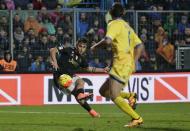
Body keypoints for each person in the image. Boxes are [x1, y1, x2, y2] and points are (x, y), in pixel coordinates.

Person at [91, 3, 144, 127]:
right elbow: (140, 46)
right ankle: (130, 95)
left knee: (114, 95)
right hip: (123, 63)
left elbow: (107, 40)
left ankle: (137, 118)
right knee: (103, 91)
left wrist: (95, 46)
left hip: (121, 63)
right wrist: (134, 62)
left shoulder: (114, 24)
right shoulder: (127, 27)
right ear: (123, 13)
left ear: (110, 13)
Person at [50, 37, 108, 118]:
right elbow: (52, 50)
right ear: (77, 45)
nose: (81, 49)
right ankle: (88, 107)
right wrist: (55, 62)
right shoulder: (69, 50)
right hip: (60, 77)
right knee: (77, 94)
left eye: (84, 47)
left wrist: (103, 70)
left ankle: (91, 111)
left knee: (81, 82)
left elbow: (89, 69)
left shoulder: (81, 59)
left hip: (70, 77)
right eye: (80, 46)